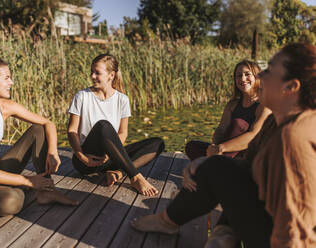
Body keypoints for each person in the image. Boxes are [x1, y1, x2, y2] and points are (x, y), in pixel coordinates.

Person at [131, 43, 316, 248]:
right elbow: (248, 169)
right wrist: (203, 163)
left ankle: (211, 230)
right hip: (269, 220)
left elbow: (297, 230)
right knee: (217, 167)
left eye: (269, 70)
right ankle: (216, 231)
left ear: (290, 88)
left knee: (217, 167)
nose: (260, 75)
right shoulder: (275, 123)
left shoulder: (295, 138)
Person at [0, 49, 78, 217]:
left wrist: (53, 152)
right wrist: (27, 180)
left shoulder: (5, 106)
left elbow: (48, 123)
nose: (11, 82)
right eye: (6, 78)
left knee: (38, 130)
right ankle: (18, 188)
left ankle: (47, 191)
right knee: (12, 201)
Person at [67, 53, 165, 197]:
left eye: (97, 73)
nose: (92, 76)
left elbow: (123, 133)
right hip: (86, 160)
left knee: (158, 143)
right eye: (92, 72)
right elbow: (72, 130)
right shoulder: (82, 96)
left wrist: (111, 153)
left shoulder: (122, 100)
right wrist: (81, 156)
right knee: (103, 125)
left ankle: (118, 173)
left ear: (111, 75)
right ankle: (135, 177)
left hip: (109, 159)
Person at [185, 60, 271, 160]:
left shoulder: (264, 105)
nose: (243, 79)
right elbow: (221, 129)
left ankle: (216, 165)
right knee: (191, 146)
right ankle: (217, 163)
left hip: (250, 157)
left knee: (239, 124)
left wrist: (221, 148)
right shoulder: (232, 104)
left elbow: (253, 136)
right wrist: (215, 147)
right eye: (239, 76)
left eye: (247, 74)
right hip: (226, 153)